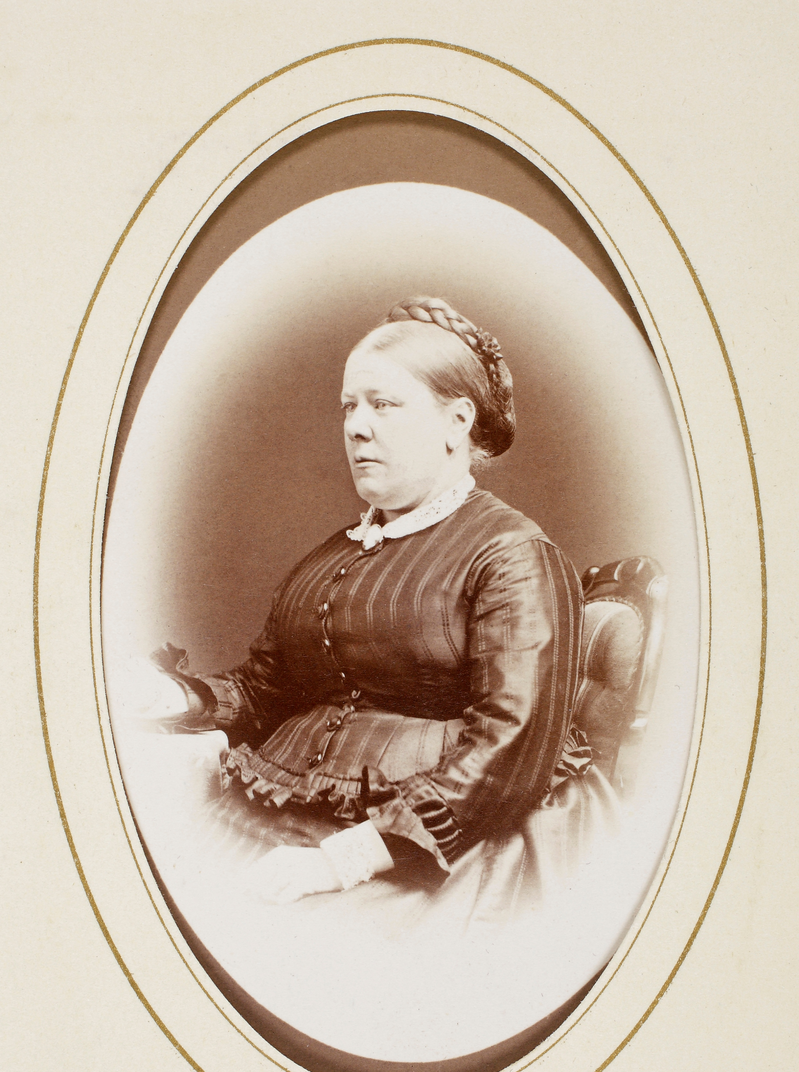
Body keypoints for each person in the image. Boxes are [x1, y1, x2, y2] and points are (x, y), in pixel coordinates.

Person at [143, 295, 613, 932]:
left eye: (384, 404)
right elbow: (265, 691)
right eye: (350, 406)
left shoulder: (513, 554)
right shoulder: (334, 553)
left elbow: (511, 745)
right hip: (293, 817)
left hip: (448, 840)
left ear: (457, 421)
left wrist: (348, 859)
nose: (358, 427)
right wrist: (171, 696)